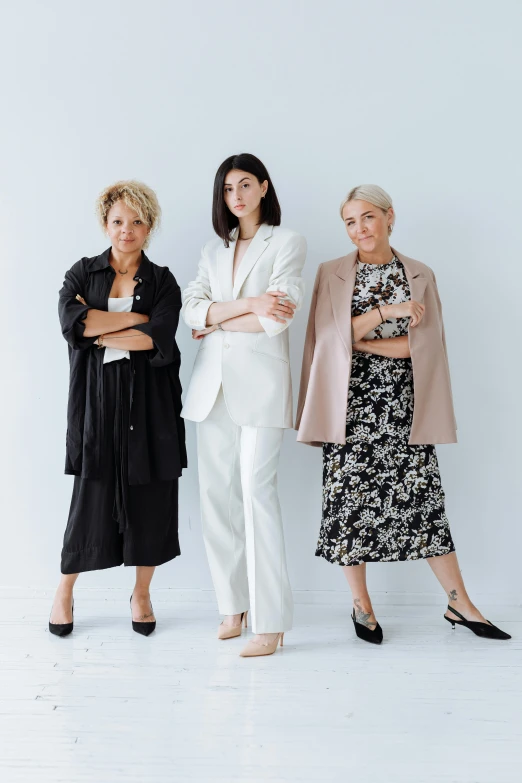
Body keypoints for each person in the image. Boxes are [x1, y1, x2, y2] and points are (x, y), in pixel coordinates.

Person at [296, 184, 510, 644]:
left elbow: (422, 346)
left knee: (425, 503)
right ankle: (361, 606)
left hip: (403, 407)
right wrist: (384, 311)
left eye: (368, 217)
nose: (360, 229)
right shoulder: (330, 272)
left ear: (389, 216)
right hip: (346, 407)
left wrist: (357, 338)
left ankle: (459, 602)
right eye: (350, 221)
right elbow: (324, 336)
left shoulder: (419, 274)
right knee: (349, 505)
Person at [182, 153, 306, 657]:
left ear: (263, 187)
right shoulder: (214, 251)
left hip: (261, 386)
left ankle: (270, 622)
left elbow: (278, 316)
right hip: (211, 387)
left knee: (256, 493)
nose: (236, 195)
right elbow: (191, 308)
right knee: (217, 498)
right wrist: (248, 305)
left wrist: (219, 318)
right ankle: (231, 605)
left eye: (245, 185)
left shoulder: (288, 242)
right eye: (228, 188)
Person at [49, 180, 186, 637]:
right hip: (97, 402)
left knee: (151, 498)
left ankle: (142, 594)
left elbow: (158, 338)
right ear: (106, 224)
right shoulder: (81, 274)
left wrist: (103, 326)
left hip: (150, 406)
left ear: (150, 225)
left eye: (137, 221)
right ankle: (64, 591)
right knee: (90, 499)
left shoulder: (163, 280)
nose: (127, 230)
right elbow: (75, 322)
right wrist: (135, 319)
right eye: (118, 221)